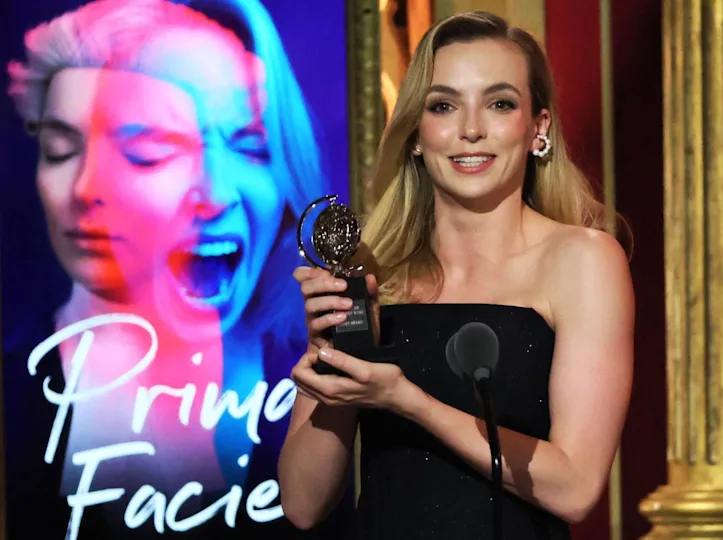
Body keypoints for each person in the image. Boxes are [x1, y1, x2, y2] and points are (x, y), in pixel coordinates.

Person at [4, 0, 354, 537]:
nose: (214, 195)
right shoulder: (18, 394)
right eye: (152, 151)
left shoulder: (320, 371)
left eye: (251, 145)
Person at [280, 11, 635, 539]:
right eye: (444, 105)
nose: (471, 130)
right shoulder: (371, 275)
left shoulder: (583, 262)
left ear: (538, 128)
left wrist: (410, 402)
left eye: (499, 104)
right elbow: (302, 505)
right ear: (417, 135)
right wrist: (334, 363)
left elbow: (576, 487)